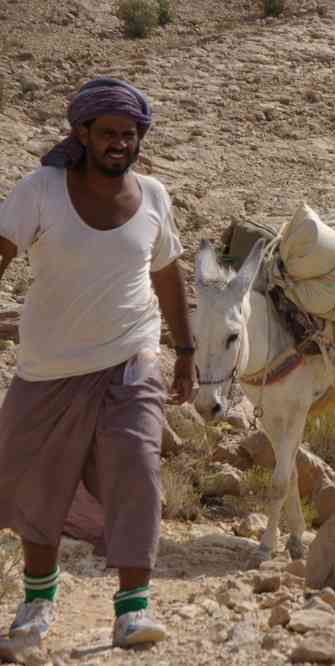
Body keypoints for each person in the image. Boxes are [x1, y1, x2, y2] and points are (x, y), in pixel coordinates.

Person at [0, 77, 194, 652]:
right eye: (107, 133)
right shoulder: (40, 190)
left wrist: (184, 351)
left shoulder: (155, 196)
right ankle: (37, 604)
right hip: (48, 366)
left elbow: (167, 274)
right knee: (39, 484)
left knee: (137, 471)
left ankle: (132, 609)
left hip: (131, 358)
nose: (119, 143)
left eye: (129, 135)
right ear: (81, 133)